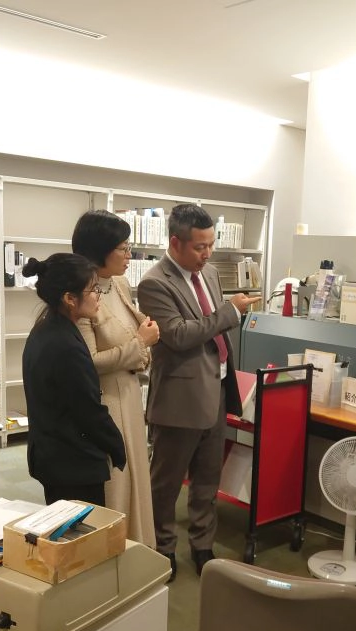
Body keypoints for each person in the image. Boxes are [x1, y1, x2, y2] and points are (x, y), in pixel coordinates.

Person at [136, 203, 262, 580]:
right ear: (175, 242)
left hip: (217, 389)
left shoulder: (209, 273)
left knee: (208, 478)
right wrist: (229, 313)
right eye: (199, 247)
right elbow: (177, 335)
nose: (207, 254)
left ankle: (203, 544)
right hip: (179, 399)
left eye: (211, 245)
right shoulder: (155, 282)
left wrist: (225, 314)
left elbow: (209, 327)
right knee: (166, 482)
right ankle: (163, 547)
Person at [72, 210, 160, 547]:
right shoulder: (81, 293)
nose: (129, 255)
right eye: (122, 248)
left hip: (129, 392)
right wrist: (140, 344)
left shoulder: (119, 284)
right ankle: (115, 552)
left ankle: (138, 548)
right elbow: (89, 361)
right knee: (117, 482)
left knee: (137, 475)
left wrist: (141, 347)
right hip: (105, 401)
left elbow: (133, 335)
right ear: (99, 251)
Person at [22, 253, 126, 506]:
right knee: (82, 527)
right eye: (93, 290)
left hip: (53, 452)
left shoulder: (45, 328)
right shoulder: (65, 346)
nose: (98, 296)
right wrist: (117, 446)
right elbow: (88, 410)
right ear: (70, 298)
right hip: (72, 461)